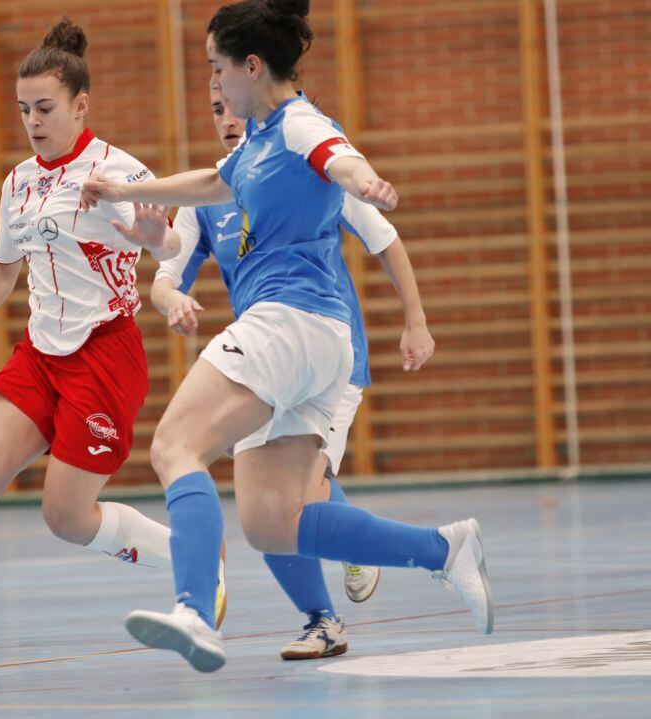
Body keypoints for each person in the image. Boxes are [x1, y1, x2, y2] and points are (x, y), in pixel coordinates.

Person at [83, 0, 492, 673]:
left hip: (289, 321)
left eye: (219, 68)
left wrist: (368, 181)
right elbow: (213, 183)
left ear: (252, 65)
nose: (215, 84)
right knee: (271, 520)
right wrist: (124, 190)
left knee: (175, 444)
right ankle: (444, 550)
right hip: (319, 339)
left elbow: (337, 155)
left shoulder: (298, 123)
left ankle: (192, 607)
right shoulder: (256, 142)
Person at [0, 18, 224, 679]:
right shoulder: (19, 182)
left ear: (81, 105)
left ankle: (192, 561)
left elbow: (172, 244)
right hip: (39, 351)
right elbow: (3, 266)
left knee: (64, 515)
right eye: (23, 109)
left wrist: (154, 236)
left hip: (104, 353)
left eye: (46, 108)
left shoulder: (119, 170)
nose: (32, 120)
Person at [147, 79, 436, 660]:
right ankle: (335, 600)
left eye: (231, 101)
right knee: (269, 506)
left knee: (292, 498)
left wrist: (416, 321)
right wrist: (170, 298)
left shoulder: (299, 160)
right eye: (213, 108)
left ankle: (355, 576)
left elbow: (385, 238)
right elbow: (162, 273)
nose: (225, 115)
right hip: (267, 352)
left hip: (328, 351)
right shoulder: (211, 196)